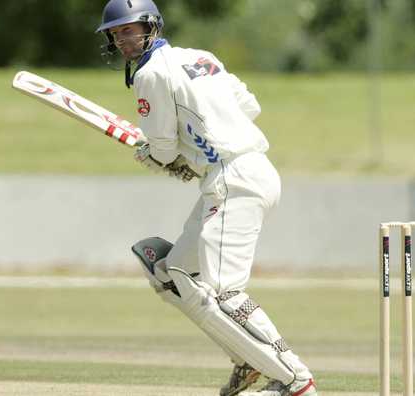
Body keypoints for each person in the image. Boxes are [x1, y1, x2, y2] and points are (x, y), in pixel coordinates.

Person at [96, 1, 317, 395]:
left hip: (234, 180)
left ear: (151, 26)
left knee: (225, 292)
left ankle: (293, 378)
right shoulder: (201, 56)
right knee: (172, 275)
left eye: (130, 29)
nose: (122, 39)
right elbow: (249, 106)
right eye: (116, 33)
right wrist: (199, 152)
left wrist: (161, 156)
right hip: (246, 172)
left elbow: (161, 148)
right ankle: (248, 357)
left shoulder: (149, 75)